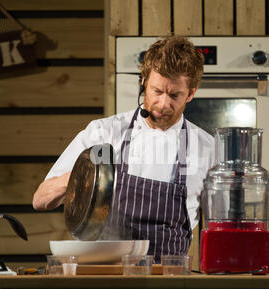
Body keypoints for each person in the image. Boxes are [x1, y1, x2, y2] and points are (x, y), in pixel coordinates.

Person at [33, 35, 214, 262]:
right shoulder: (104, 133)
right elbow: (41, 200)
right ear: (144, 81)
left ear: (191, 93)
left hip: (168, 281)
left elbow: (220, 226)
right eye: (157, 91)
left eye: (174, 95)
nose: (163, 104)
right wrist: (87, 176)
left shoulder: (207, 148)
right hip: (104, 276)